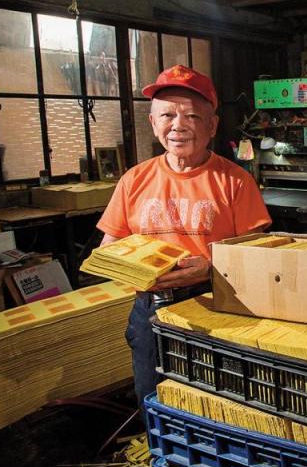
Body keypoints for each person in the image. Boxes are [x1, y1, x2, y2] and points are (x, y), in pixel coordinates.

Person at [97, 65, 271, 405]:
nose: (177, 125)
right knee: (153, 395)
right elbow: (110, 245)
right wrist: (129, 267)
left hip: (216, 304)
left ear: (212, 125)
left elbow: (259, 254)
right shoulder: (134, 180)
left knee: (217, 399)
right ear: (153, 123)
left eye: (191, 115)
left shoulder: (235, 181)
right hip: (150, 308)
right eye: (167, 115)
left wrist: (209, 267)